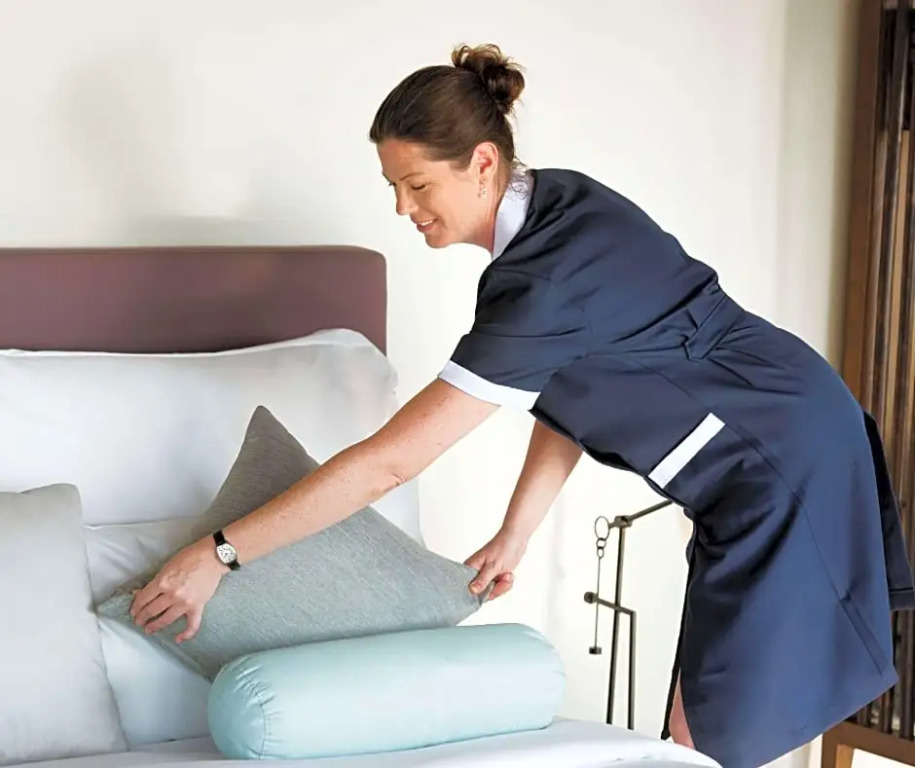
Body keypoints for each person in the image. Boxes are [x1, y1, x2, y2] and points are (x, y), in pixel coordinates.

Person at [129, 43, 915, 767]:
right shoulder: (559, 205)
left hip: (780, 459)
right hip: (780, 427)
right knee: (697, 724)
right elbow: (568, 381)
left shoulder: (538, 284)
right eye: (393, 187)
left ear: (481, 163)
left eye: (417, 185)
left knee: (703, 737)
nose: (403, 208)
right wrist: (516, 532)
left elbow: (387, 465)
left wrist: (220, 553)